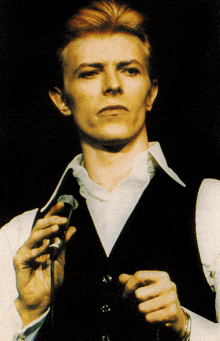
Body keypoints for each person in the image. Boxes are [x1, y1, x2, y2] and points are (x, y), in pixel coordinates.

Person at [0, 1, 217, 340]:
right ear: (61, 99)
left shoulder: (212, 206)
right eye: (90, 72)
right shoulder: (20, 235)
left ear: (151, 93)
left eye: (130, 70)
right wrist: (30, 311)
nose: (112, 85)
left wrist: (186, 325)